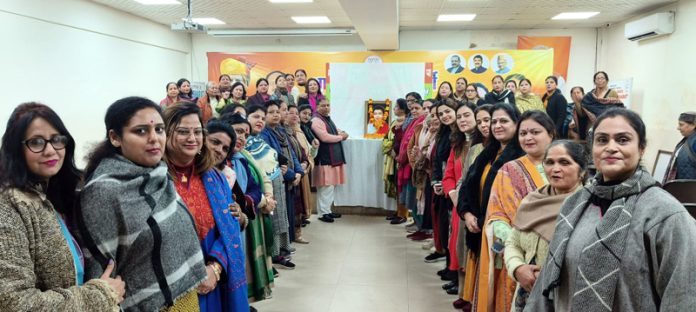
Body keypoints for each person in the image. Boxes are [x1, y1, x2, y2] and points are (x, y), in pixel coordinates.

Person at [526, 108, 696, 311]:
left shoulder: (664, 214)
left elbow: (683, 296)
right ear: (593, 148)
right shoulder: (574, 205)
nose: (611, 147)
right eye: (602, 140)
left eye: (623, 140)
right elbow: (548, 285)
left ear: (641, 148)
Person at [79, 97, 206, 311]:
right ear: (115, 137)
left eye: (159, 129)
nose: (154, 138)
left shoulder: (159, 174)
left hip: (184, 297)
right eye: (141, 131)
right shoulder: (102, 192)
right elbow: (101, 274)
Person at [0, 103, 124, 311]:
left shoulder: (59, 191)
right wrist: (100, 295)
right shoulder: (10, 205)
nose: (50, 150)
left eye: (57, 140)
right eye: (36, 142)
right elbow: (15, 303)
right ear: (16, 149)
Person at [163, 103, 249, 312]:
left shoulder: (214, 178)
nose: (192, 138)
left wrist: (215, 268)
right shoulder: (155, 179)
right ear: (165, 133)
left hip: (214, 278)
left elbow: (228, 227)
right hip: (172, 285)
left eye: (197, 132)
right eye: (183, 131)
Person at [477, 110, 556, 312]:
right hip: (517, 258)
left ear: (551, 134)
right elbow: (496, 215)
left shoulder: (565, 166)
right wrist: (515, 251)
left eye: (535, 132)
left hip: (558, 256)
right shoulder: (508, 170)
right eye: (523, 133)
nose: (528, 138)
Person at [504, 140, 587, 312]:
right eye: (549, 162)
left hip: (562, 300)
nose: (555, 169)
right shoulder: (532, 200)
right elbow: (513, 243)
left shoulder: (587, 208)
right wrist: (518, 268)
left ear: (582, 171)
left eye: (564, 162)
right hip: (525, 297)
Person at [457, 103, 525, 311]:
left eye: (503, 121)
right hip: (477, 227)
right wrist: (467, 213)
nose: (497, 125)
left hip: (502, 234)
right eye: (493, 121)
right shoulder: (487, 153)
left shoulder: (521, 156)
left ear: (516, 123)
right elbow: (467, 185)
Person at [220, 113, 276, 300]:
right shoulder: (220, 163)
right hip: (229, 221)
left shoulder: (241, 159)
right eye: (237, 132)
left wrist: (257, 199)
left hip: (245, 218)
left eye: (245, 133)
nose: (242, 138)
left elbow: (253, 186)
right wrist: (255, 201)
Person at [244, 104, 296, 269]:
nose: (259, 120)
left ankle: (277, 252)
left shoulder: (260, 138)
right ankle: (269, 259)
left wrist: (293, 172)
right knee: (267, 224)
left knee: (278, 218)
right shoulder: (246, 142)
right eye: (256, 117)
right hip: (259, 191)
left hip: (274, 182)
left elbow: (276, 157)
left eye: (261, 117)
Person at [452, 103, 492, 311]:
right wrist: (459, 197)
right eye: (482, 121)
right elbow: (465, 178)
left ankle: (477, 297)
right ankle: (466, 294)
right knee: (465, 252)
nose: (485, 125)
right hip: (468, 206)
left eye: (489, 120)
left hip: (489, 210)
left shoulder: (504, 151)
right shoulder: (476, 148)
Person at [441, 101, 479, 296]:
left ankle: (469, 292)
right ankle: (461, 287)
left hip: (473, 206)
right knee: (456, 244)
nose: (463, 119)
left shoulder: (482, 145)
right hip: (458, 204)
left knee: (469, 249)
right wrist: (453, 194)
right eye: (460, 116)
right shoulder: (457, 144)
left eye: (467, 115)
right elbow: (448, 175)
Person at [260, 100, 304, 245]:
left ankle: (286, 245)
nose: (276, 115)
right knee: (278, 215)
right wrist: (292, 174)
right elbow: (277, 159)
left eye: (277, 112)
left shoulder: (280, 131)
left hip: (289, 178)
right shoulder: (264, 135)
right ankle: (279, 249)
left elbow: (291, 153)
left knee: (286, 214)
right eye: (271, 112)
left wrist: (299, 172)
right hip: (278, 178)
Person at [312, 98, 348, 223]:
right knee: (325, 187)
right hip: (324, 158)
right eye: (323, 105)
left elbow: (336, 130)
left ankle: (327, 211)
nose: (326, 107)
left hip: (331, 159)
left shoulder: (327, 119)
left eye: (328, 105)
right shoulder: (316, 120)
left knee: (330, 186)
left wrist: (342, 133)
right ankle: (323, 213)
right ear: (317, 107)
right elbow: (324, 137)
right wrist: (340, 137)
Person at [286, 104, 316, 234]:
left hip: (302, 168)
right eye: (291, 113)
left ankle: (301, 219)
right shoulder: (286, 132)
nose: (295, 116)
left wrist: (306, 162)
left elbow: (305, 150)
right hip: (293, 171)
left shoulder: (299, 131)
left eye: (296, 113)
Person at [399, 98, 427, 231]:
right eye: (412, 109)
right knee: (413, 196)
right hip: (410, 163)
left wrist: (408, 159)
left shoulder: (422, 122)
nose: (414, 111)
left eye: (417, 108)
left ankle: (422, 225)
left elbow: (412, 145)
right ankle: (417, 221)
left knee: (418, 195)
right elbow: (407, 143)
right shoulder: (414, 122)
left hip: (416, 164)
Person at [384, 98, 408, 221]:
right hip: (393, 156)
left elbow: (403, 141)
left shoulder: (407, 122)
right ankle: (398, 210)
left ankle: (403, 214)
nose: (394, 109)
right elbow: (387, 138)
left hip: (401, 157)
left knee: (402, 185)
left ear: (403, 109)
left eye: (397, 107)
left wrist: (395, 150)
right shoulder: (394, 122)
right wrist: (389, 148)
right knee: (395, 184)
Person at [664, 111, 696, 182]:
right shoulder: (686, 140)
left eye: (681, 125)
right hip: (683, 188)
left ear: (693, 125)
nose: (678, 128)